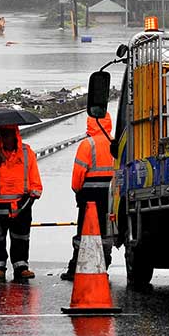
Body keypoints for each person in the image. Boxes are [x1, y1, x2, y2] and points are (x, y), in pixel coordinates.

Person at [0, 125, 42, 282]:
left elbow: (34, 175)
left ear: (15, 134)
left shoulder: (26, 152)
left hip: (21, 203)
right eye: (4, 134)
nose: (7, 137)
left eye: (9, 134)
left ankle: (21, 266)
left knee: (21, 237)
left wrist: (34, 193)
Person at [62, 112, 114, 281]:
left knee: (84, 232)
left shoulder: (87, 144)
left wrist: (77, 191)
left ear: (91, 123)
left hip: (89, 196)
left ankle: (75, 268)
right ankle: (103, 266)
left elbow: (78, 174)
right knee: (106, 232)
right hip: (111, 196)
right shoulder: (115, 143)